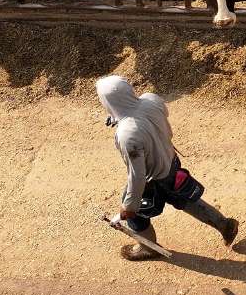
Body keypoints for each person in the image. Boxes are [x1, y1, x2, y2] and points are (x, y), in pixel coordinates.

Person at [97, 75, 238, 261]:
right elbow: (146, 119)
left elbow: (137, 175)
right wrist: (120, 116)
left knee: (135, 215)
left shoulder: (126, 135)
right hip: (171, 162)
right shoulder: (151, 100)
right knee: (184, 197)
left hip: (153, 178)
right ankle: (224, 224)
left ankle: (148, 247)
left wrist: (129, 206)